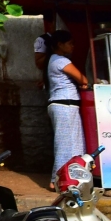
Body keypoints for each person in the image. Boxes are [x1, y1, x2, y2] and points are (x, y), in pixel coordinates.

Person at [45, 28, 90, 187]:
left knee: (72, 143)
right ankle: (56, 181)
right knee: (66, 144)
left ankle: (68, 178)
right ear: (59, 44)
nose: (73, 47)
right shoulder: (61, 61)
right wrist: (84, 82)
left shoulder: (53, 60)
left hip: (64, 105)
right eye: (70, 43)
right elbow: (81, 78)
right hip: (64, 105)